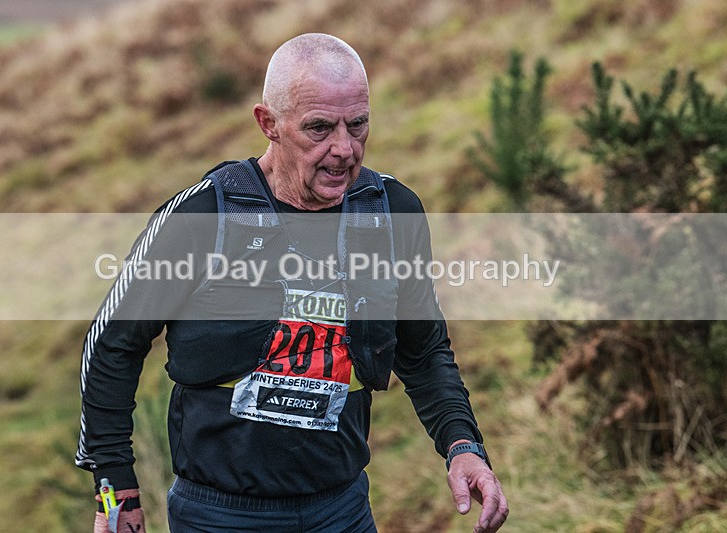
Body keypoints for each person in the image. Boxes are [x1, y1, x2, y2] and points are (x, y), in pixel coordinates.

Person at [76, 33, 508, 533]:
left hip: (341, 510)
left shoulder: (391, 213)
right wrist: (115, 490)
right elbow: (112, 343)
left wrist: (463, 447)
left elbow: (424, 350)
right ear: (269, 124)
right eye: (319, 128)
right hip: (218, 515)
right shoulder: (205, 214)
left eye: (358, 124)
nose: (344, 149)